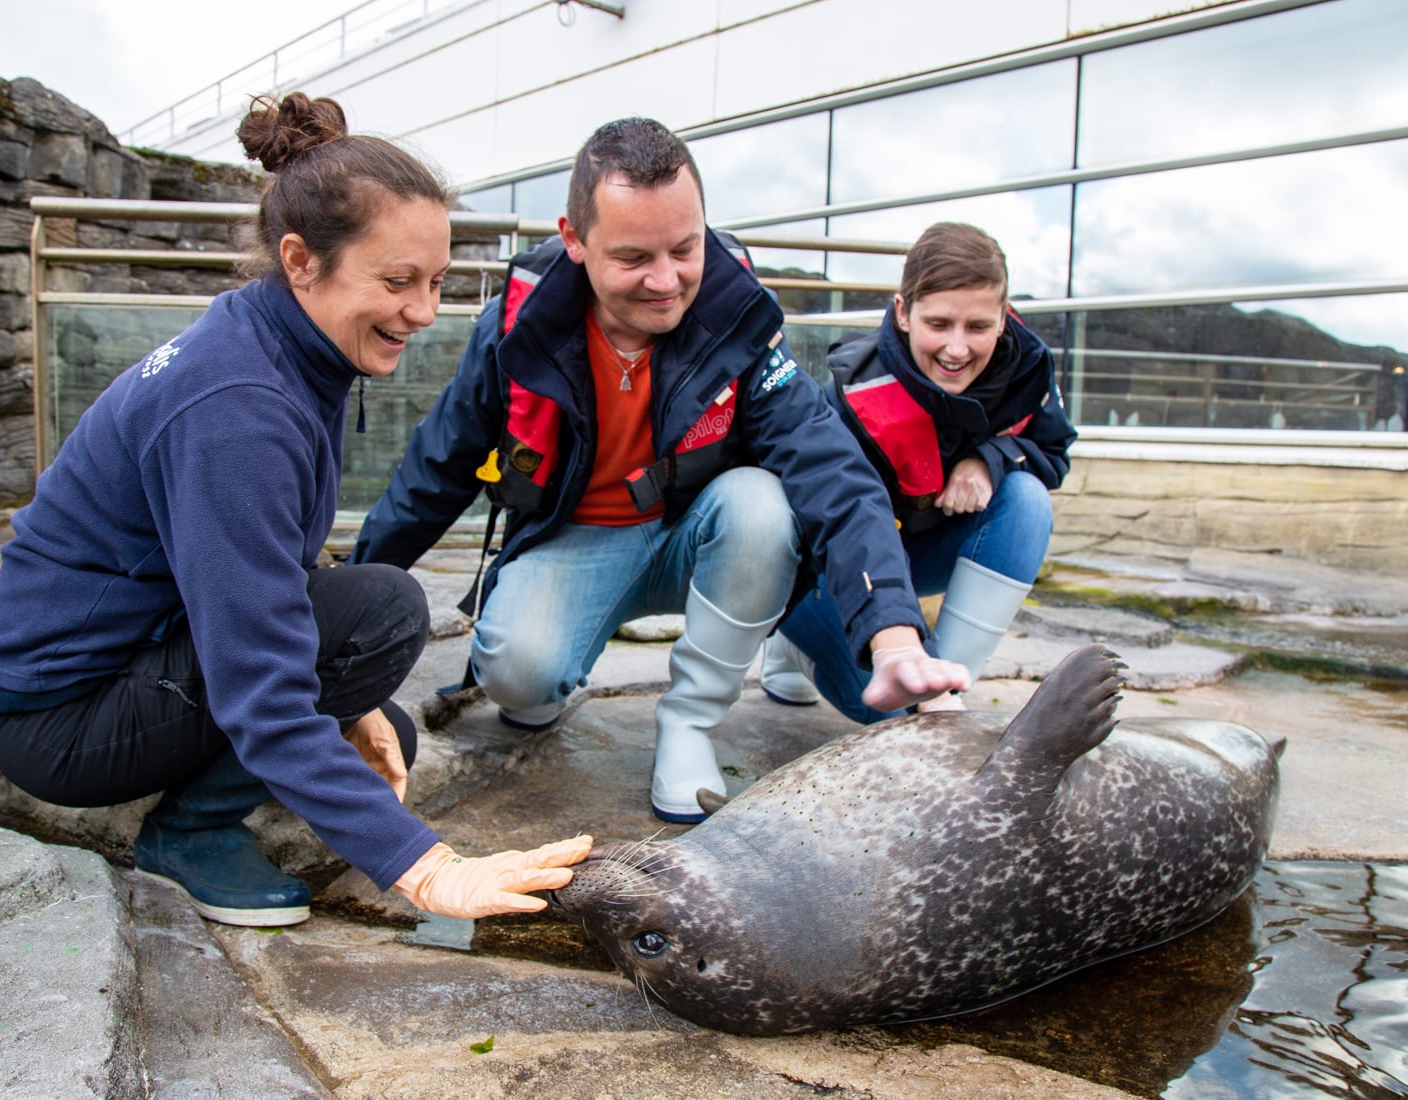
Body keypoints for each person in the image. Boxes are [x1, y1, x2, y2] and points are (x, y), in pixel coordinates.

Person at [0, 93, 590, 928]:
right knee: (383, 612)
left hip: (122, 662)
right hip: (56, 717)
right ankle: (188, 834)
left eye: (437, 282)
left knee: (377, 710)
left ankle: (257, 773)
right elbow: (260, 681)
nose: (425, 311)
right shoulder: (237, 407)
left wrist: (351, 697)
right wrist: (426, 869)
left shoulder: (279, 341)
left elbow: (274, 571)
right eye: (397, 281)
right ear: (300, 259)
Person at [352, 117, 968, 823]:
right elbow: (436, 470)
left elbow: (834, 471)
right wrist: (349, 610)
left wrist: (894, 634)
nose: (667, 281)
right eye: (634, 257)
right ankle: (551, 679)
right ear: (576, 240)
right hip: (574, 540)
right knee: (518, 682)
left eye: (686, 248)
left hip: (696, 534)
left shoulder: (738, 319)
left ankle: (692, 725)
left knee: (763, 503)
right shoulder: (516, 328)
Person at [761, 221, 1077, 724]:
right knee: (883, 710)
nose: (957, 349)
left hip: (921, 549)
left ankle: (943, 698)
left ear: (1003, 318)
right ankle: (795, 650)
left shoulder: (1028, 371)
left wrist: (991, 459)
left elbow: (1053, 452)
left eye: (977, 326)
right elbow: (835, 527)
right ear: (903, 313)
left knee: (1027, 501)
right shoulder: (854, 398)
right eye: (939, 324)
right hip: (832, 568)